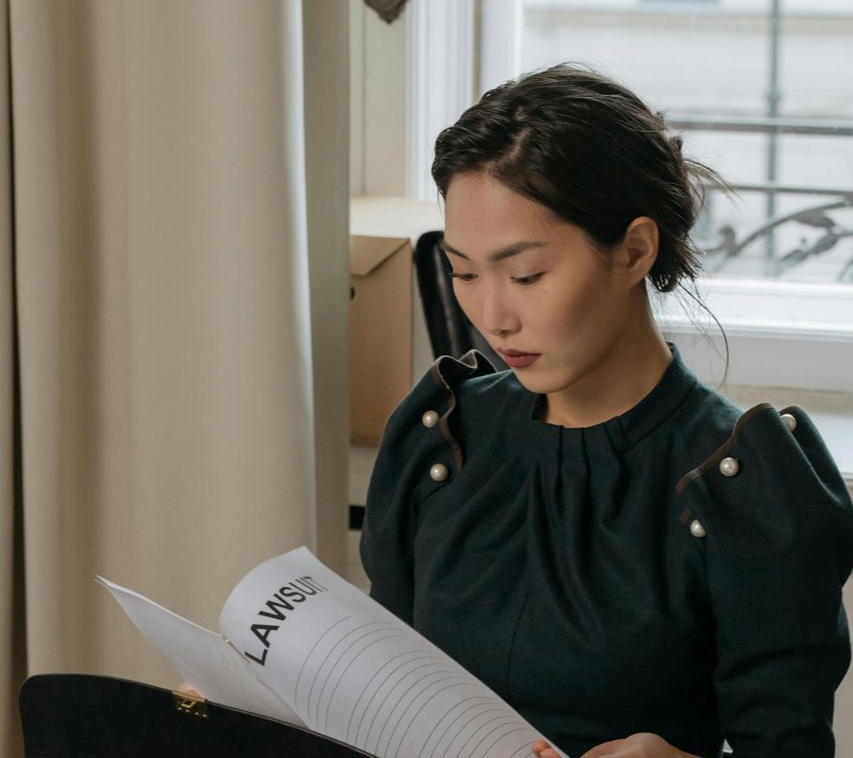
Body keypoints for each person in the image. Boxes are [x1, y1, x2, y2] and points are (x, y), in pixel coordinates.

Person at [359, 63, 853, 758]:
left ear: (633, 250)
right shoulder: (442, 439)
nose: (492, 315)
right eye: (464, 273)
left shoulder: (741, 487)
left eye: (526, 275)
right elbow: (380, 694)